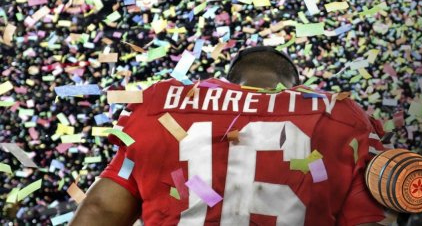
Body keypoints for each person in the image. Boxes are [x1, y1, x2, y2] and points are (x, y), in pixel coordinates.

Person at [69, 46, 387, 225]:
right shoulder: (341, 118)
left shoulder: (161, 107)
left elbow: (100, 210)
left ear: (231, 81)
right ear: (292, 87)